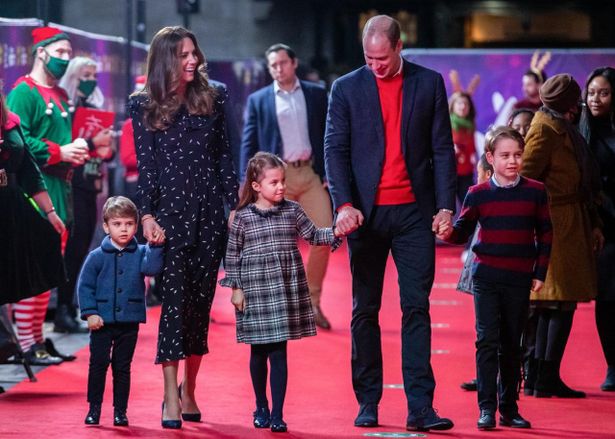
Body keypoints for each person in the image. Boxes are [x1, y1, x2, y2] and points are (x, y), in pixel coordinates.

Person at [324, 15, 456, 431]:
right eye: (369, 58)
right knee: (365, 309)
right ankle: (368, 400)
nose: (376, 66)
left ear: (400, 48)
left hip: (416, 213)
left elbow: (442, 148)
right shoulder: (346, 87)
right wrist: (343, 204)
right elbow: (335, 150)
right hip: (365, 214)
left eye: (382, 57)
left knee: (416, 307)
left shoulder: (429, 83)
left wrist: (445, 207)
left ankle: (421, 407)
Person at [127, 26, 239, 429]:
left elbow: (226, 156)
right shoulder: (143, 104)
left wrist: (234, 206)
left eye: (194, 53)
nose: (192, 60)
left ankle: (190, 388)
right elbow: (147, 170)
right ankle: (169, 394)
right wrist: (147, 216)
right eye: (183, 55)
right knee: (173, 308)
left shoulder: (216, 94)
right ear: (165, 60)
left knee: (198, 309)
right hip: (170, 221)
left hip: (210, 215)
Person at [220, 152, 343, 433]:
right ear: (255, 185)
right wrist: (236, 289)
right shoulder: (243, 217)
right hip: (254, 291)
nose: (281, 187)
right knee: (258, 352)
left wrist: (337, 231)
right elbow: (232, 254)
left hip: (283, 291)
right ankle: (260, 405)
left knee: (278, 352)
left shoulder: (292, 210)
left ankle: (277, 412)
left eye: (283, 181)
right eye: (274, 182)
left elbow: (314, 235)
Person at [438, 126, 552, 430]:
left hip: (519, 277)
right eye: (505, 155)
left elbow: (546, 234)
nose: (512, 161)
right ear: (490, 158)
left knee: (512, 345)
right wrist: (447, 233)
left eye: (517, 154)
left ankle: (509, 409)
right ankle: (486, 408)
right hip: (486, 277)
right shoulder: (477, 194)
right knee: (486, 341)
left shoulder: (535, 191)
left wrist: (539, 273)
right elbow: (462, 232)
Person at [6, 26, 89, 364]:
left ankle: (38, 338)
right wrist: (61, 151)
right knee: (34, 266)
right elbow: (19, 145)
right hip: (34, 189)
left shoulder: (60, 96)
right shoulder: (23, 93)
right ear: (41, 51)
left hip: (60, 186)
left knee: (48, 268)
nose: (66, 59)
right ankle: (26, 343)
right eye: (61, 53)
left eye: (70, 53)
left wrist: (78, 152)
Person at [240, 43, 334, 330]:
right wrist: (246, 182)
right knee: (272, 244)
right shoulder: (259, 100)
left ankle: (312, 300)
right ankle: (276, 306)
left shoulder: (317, 94)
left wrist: (332, 171)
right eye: (273, 65)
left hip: (309, 173)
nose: (278, 69)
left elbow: (331, 133)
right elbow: (249, 140)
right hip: (274, 179)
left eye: (282, 63)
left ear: (294, 63)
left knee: (324, 235)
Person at [521, 73, 603, 398]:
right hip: (556, 222)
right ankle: (543, 377)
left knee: (555, 302)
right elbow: (527, 175)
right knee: (557, 302)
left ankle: (542, 377)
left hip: (567, 220)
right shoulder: (545, 129)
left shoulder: (557, 125)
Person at [78, 196, 163, 427]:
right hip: (101, 321)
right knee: (98, 365)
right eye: (117, 224)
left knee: (122, 367)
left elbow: (152, 269)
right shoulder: (96, 256)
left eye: (128, 224)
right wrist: (90, 312)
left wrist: (155, 247)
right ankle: (94, 408)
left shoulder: (141, 252)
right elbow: (85, 286)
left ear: (136, 226)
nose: (123, 229)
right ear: (106, 226)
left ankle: (120, 411)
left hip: (129, 320)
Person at [56, 56, 114, 333]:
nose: (90, 81)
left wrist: (105, 149)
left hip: (90, 182)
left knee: (82, 248)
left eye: (93, 76)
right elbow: (63, 147)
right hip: (68, 184)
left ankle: (70, 305)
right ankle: (62, 309)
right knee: (71, 248)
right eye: (84, 76)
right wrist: (92, 142)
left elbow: (103, 151)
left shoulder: (93, 108)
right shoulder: (64, 109)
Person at [0, 91, 65, 310]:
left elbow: (29, 170)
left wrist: (50, 212)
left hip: (10, 206)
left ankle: (22, 340)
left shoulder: (11, 120)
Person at [579, 66, 615, 391]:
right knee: (607, 297)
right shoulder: (581, 130)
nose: (595, 99)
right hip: (601, 224)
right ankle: (612, 365)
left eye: (603, 93)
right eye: (591, 92)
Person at [457, 153, 493, 392]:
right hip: (482, 271)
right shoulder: (476, 196)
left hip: (503, 270)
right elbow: (463, 231)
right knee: (486, 331)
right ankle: (487, 380)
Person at [449, 91, 477, 207]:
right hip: (449, 173)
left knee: (469, 205)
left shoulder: (470, 125)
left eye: (466, 104)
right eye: (460, 103)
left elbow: (472, 148)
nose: (463, 107)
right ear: (453, 105)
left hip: (466, 173)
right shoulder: (445, 123)